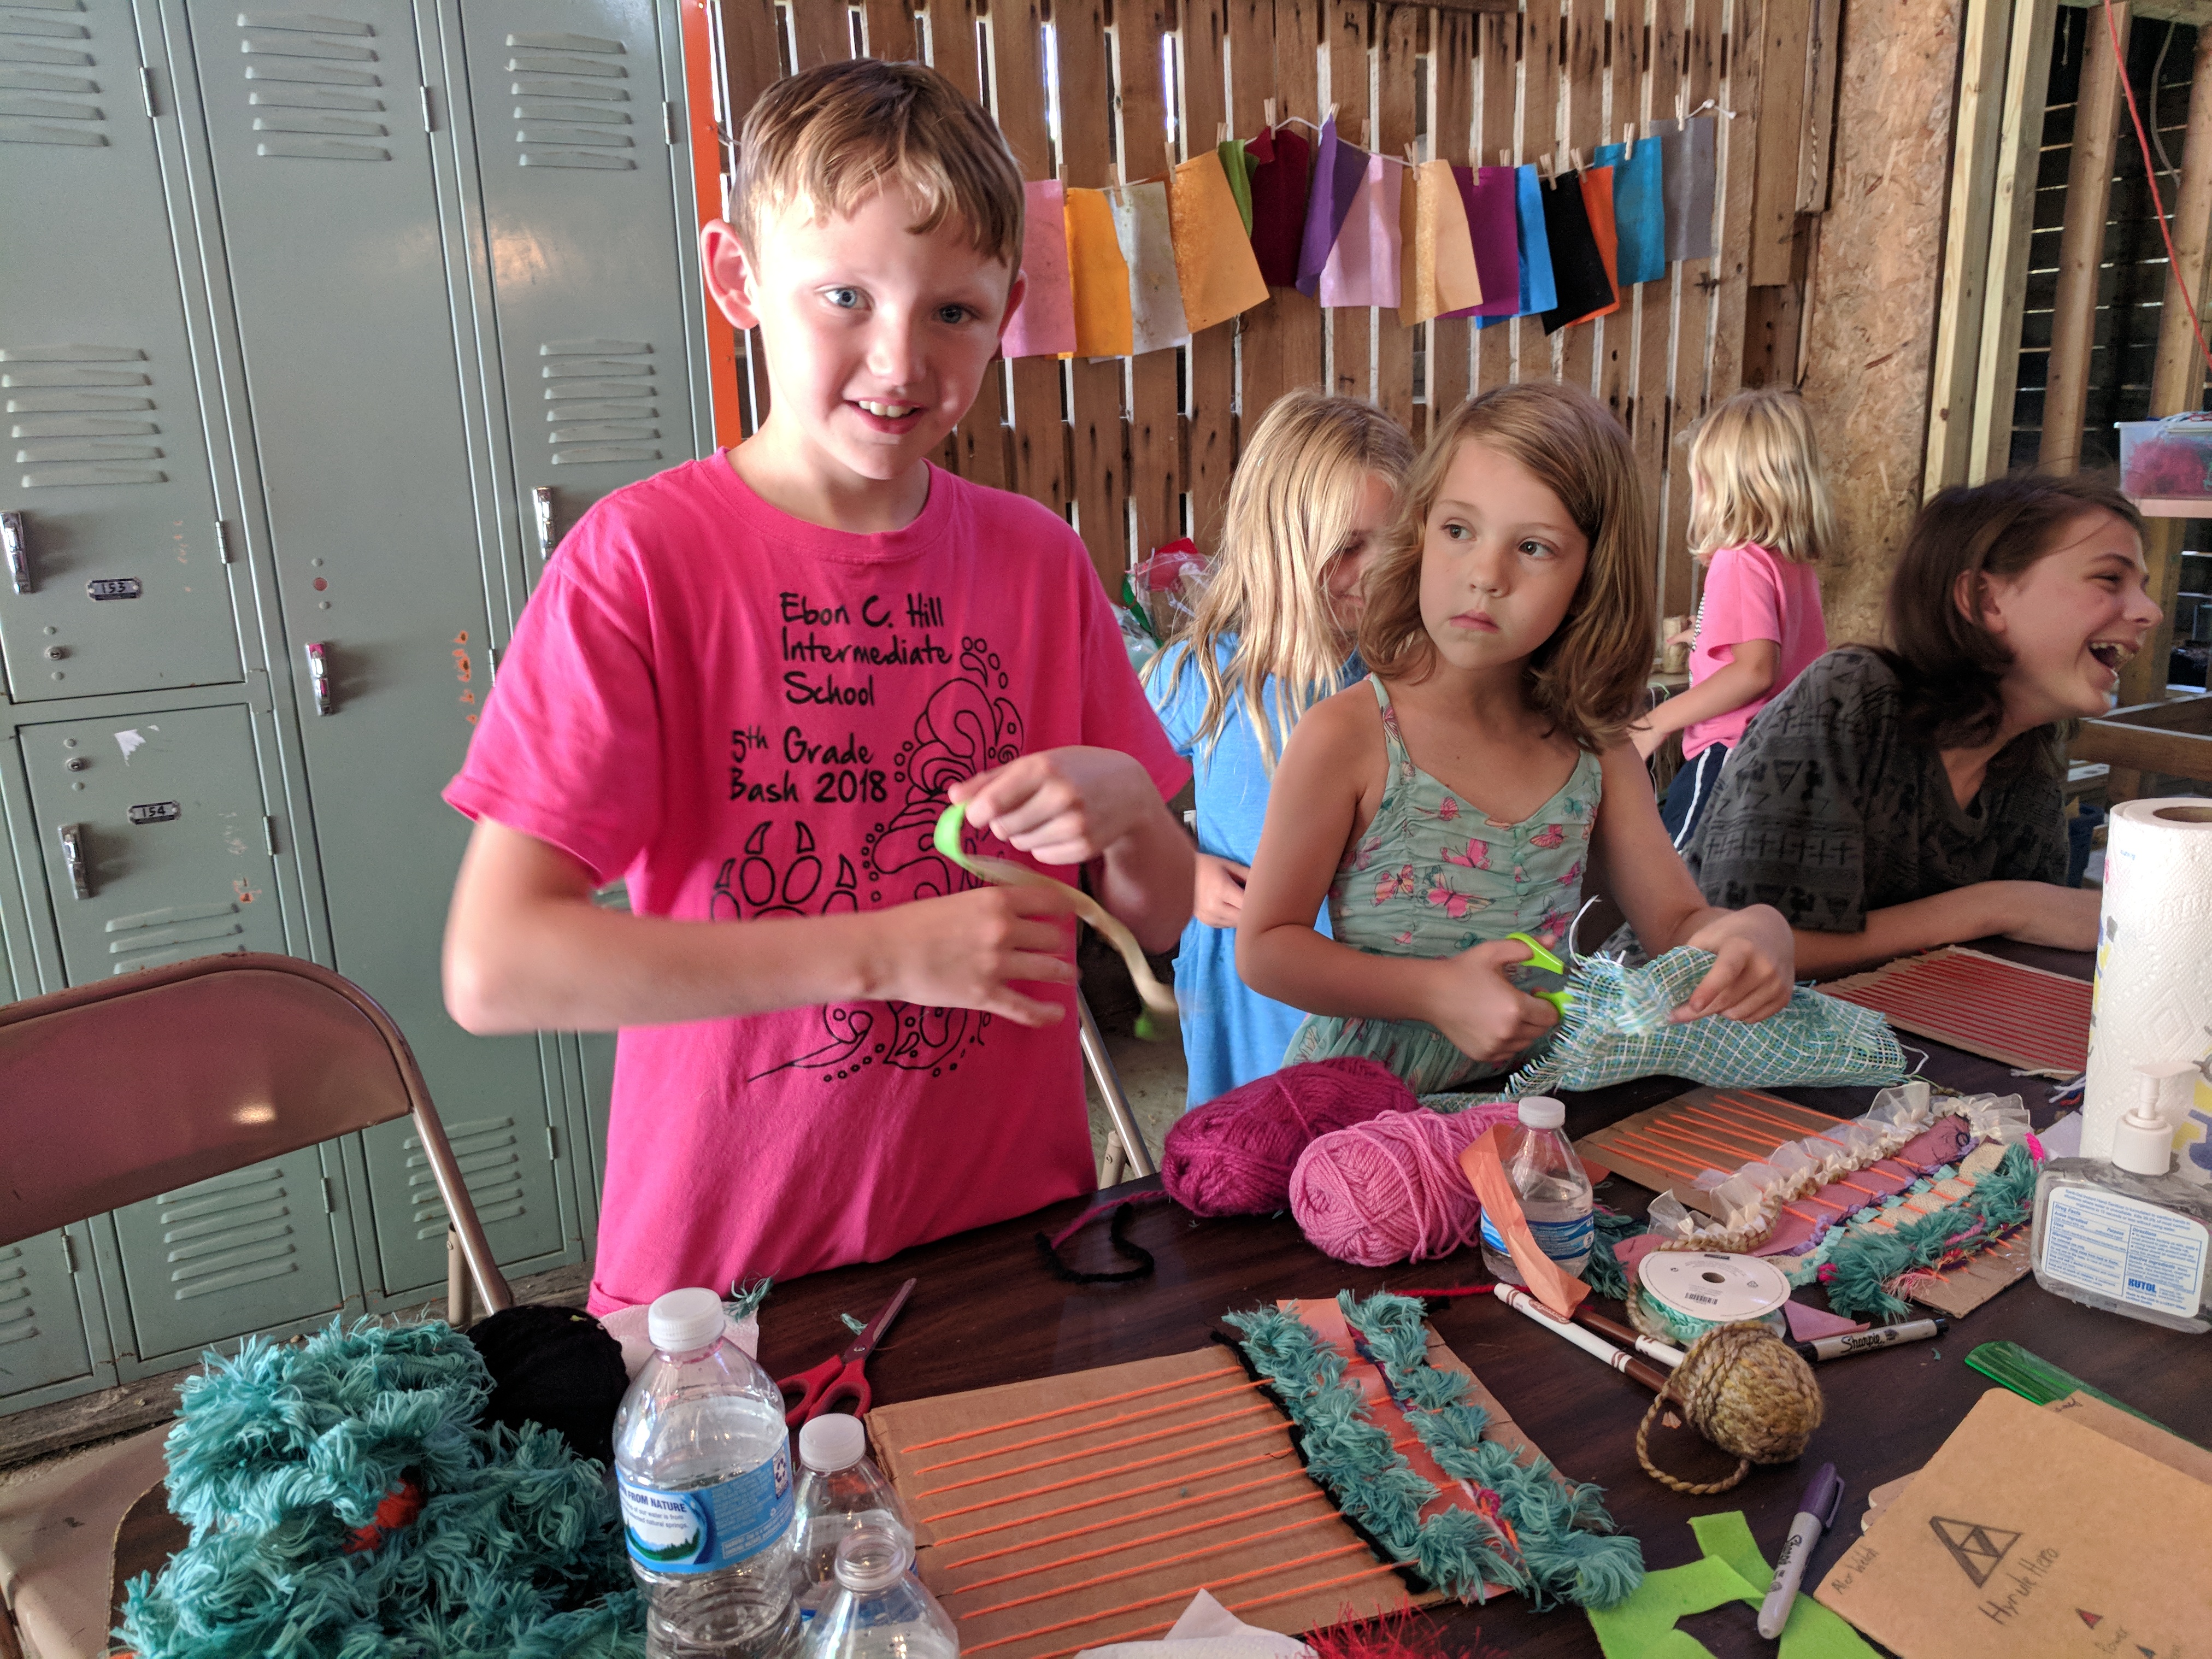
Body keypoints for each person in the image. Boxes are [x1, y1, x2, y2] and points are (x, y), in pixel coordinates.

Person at [438, 59, 1193, 1315]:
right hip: (728, 1278)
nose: (899, 360)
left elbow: (1157, 913)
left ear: (1008, 314)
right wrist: (884, 953)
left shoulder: (1038, 561)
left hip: (1013, 1240)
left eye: (953, 311)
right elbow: (498, 965)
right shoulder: (641, 563)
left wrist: (1125, 809)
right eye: (845, 295)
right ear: (737, 278)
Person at [1235, 383, 1795, 1096]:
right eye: (1458, 530)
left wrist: (1757, 930)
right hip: (1368, 1114)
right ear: (1420, 533)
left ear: (1591, 578)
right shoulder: (1348, 736)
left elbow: (1677, 921)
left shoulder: (1594, 748)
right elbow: (1267, 948)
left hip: (1536, 1106)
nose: (1485, 576)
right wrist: (1433, 992)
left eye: (1533, 547)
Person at [1684, 472, 2160, 978]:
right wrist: (2000, 906)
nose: (2150, 612)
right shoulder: (1851, 699)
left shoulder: (2028, 764)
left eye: (2144, 588)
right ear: (1985, 600)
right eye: (2109, 579)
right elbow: (1735, 951)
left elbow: (2017, 954)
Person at [1145, 392, 1414, 1105]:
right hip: (1251, 997)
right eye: (1348, 547)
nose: (1376, 570)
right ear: (1280, 544)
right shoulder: (1204, 677)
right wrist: (1183, 869)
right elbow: (1108, 799)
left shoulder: (1413, 674)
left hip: (1384, 979)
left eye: (1395, 543)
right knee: (1259, 1148)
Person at [1627, 388, 1834, 847]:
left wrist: (1655, 723)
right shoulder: (1791, 564)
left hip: (1728, 752)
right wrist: (1702, 635)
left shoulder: (1738, 560)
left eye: (1700, 479)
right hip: (1780, 755)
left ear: (1724, 486)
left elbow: (1755, 671)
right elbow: (1777, 646)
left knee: (1679, 868)